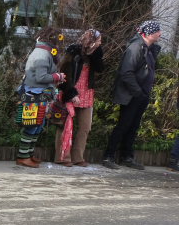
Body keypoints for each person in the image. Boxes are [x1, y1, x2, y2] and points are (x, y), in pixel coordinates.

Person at [103, 20, 162, 171]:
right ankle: (108, 156)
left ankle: (126, 157)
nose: (160, 34)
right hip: (132, 95)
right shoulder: (136, 47)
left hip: (142, 94)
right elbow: (126, 72)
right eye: (157, 31)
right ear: (148, 33)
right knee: (123, 125)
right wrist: (138, 92)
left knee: (133, 126)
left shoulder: (149, 48)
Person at [15, 27, 66, 168]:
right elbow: (41, 77)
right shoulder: (42, 55)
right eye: (59, 39)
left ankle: (28, 154)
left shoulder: (44, 52)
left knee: (38, 125)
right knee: (32, 125)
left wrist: (56, 77)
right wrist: (57, 76)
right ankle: (23, 156)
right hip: (34, 95)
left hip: (39, 95)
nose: (60, 43)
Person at [55, 29, 103, 167]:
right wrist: (71, 93)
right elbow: (64, 74)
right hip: (72, 91)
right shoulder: (73, 52)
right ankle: (62, 157)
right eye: (98, 40)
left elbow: (100, 69)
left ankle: (78, 157)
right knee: (65, 126)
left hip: (87, 93)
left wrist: (95, 53)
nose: (100, 43)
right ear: (91, 41)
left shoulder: (95, 53)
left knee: (85, 127)